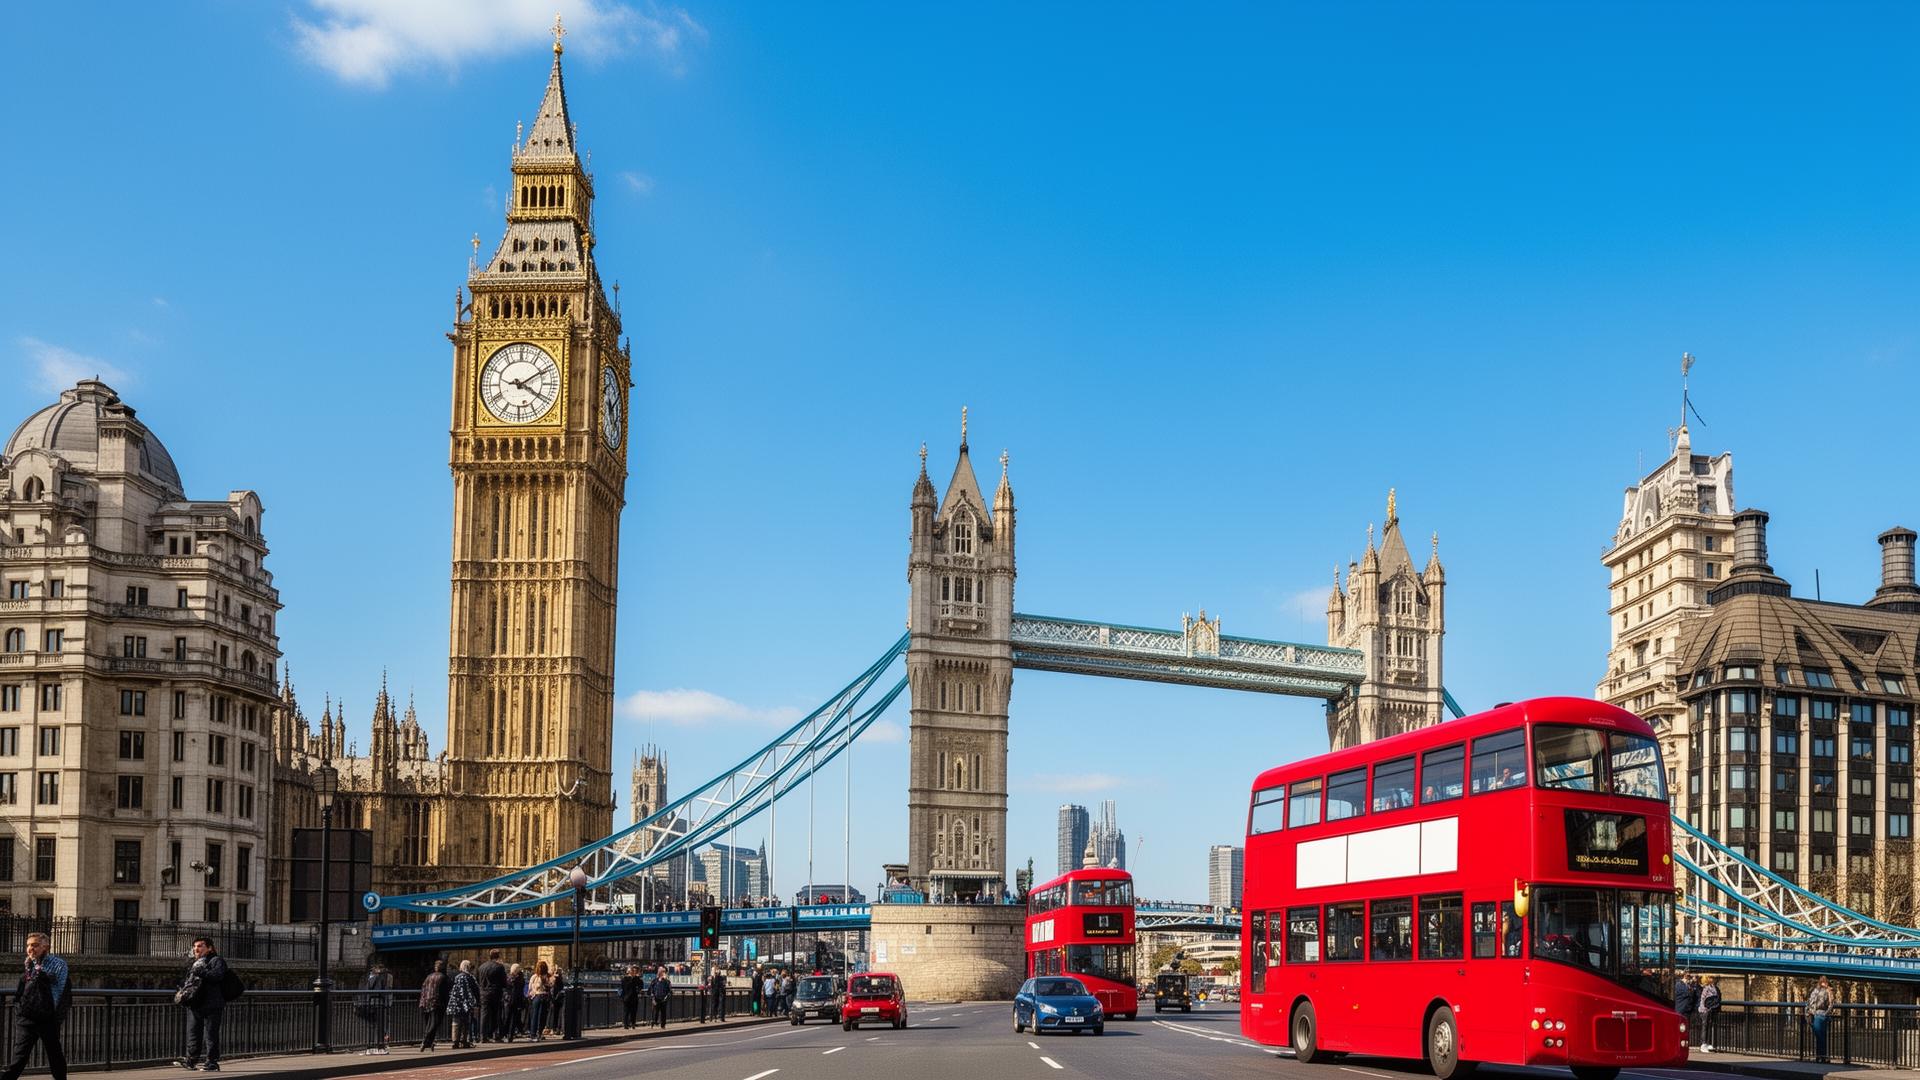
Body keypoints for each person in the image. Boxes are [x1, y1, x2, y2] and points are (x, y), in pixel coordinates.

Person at [0, 932, 68, 1080]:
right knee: (19, 1057)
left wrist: (54, 1015)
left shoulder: (58, 964)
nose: (30, 948)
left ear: (46, 947)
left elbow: (59, 988)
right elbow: (23, 989)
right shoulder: (28, 963)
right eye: (28, 945)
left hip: (47, 1018)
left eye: (35, 945)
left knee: (55, 1055)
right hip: (27, 1018)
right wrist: (19, 1009)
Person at [175, 937, 228, 1072]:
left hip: (212, 1003)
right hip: (195, 1003)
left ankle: (211, 1062)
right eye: (195, 946)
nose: (196, 949)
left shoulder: (217, 960)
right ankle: (191, 1060)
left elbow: (218, 976)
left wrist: (201, 972)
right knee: (193, 1033)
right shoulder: (195, 963)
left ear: (209, 948)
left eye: (200, 946)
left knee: (210, 1034)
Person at [358, 962, 394, 1054]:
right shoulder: (380, 978)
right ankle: (380, 1047)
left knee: (371, 1026)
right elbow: (383, 992)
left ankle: (369, 1048)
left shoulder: (368, 979)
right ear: (377, 970)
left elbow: (366, 991)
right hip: (379, 1003)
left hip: (369, 1003)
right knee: (380, 1026)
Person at [418, 959, 450, 1051]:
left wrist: (422, 1002)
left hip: (426, 1002)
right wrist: (446, 1004)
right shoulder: (443, 977)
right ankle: (426, 1041)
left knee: (429, 1023)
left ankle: (429, 1042)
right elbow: (444, 992)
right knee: (434, 1023)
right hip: (437, 1003)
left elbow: (423, 988)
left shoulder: (429, 976)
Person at [447, 960, 480, 1049]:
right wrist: (477, 1002)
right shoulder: (471, 978)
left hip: (456, 1003)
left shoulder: (456, 977)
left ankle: (455, 1041)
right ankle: (464, 1040)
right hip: (466, 1003)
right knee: (466, 1022)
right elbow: (476, 991)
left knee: (456, 1022)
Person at [476, 950, 507, 1043]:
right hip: (495, 993)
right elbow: (504, 982)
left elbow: (478, 980)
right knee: (496, 1015)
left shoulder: (481, 967)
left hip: (483, 993)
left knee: (484, 1015)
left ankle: (483, 1036)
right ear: (498, 956)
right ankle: (495, 1034)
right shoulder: (499, 967)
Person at [1807, 976, 1834, 1061]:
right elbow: (1831, 1003)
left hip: (1816, 1015)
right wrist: (1827, 1013)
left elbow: (1810, 1002)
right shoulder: (1827, 991)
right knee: (1822, 1037)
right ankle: (1822, 1056)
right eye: (1824, 982)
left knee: (1819, 1037)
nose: (1825, 983)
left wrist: (1810, 1013)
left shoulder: (1815, 991)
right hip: (1822, 1015)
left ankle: (1820, 1056)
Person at [527, 960, 553, 1041]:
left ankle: (533, 1034)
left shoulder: (534, 977)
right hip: (544, 997)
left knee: (535, 1016)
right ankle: (539, 1033)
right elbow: (551, 986)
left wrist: (533, 994)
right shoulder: (548, 977)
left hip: (536, 997)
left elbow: (530, 988)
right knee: (542, 1016)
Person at [505, 963, 527, 1040]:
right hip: (515, 1000)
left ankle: (507, 1033)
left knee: (508, 1017)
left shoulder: (510, 977)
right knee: (513, 1018)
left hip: (509, 999)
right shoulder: (520, 978)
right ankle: (511, 1034)